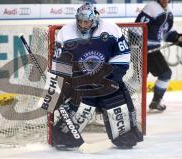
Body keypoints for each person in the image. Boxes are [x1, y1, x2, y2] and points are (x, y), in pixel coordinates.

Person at [50, 2, 143, 150]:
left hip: (107, 79)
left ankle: (123, 133)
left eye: (86, 21)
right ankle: (65, 135)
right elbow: (59, 63)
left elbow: (123, 55)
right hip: (81, 82)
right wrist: (63, 87)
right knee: (67, 133)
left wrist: (110, 78)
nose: (83, 24)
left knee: (123, 133)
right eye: (80, 21)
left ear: (95, 20)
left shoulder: (111, 29)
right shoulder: (65, 32)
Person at [135, 0, 182, 112]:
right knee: (164, 74)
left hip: (151, 49)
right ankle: (156, 101)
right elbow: (136, 27)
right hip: (145, 49)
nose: (165, 0)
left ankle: (117, 100)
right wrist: (136, 47)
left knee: (139, 79)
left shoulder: (168, 10)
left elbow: (167, 32)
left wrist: (177, 38)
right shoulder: (152, 7)